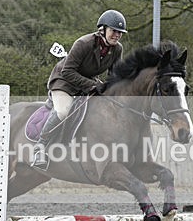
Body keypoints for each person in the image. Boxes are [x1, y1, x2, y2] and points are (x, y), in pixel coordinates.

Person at [31, 9, 127, 169]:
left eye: (120, 32)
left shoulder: (117, 49)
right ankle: (40, 146)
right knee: (63, 111)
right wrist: (94, 86)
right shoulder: (84, 43)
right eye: (114, 31)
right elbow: (67, 71)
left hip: (88, 83)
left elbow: (114, 76)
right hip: (64, 82)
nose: (117, 35)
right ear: (103, 29)